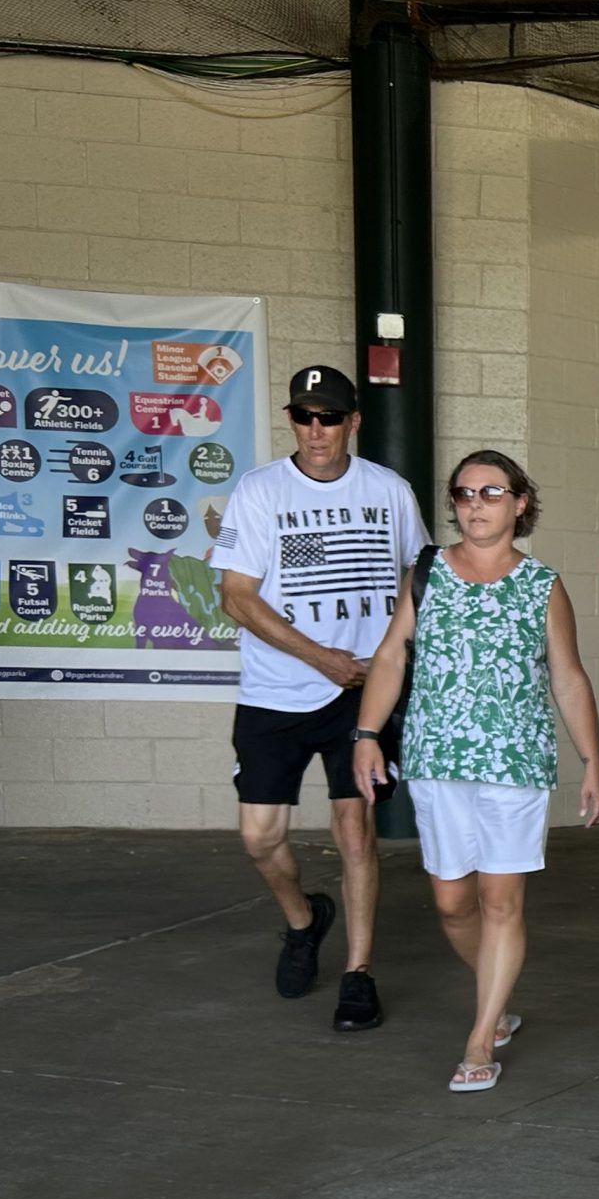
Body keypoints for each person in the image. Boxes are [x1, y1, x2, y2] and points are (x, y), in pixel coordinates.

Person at [351, 451, 599, 1092]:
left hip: (515, 764)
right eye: (464, 494)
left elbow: (568, 678)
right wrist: (366, 735)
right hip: (437, 762)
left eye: (492, 492)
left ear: (520, 503)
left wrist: (592, 760)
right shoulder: (426, 572)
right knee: (451, 902)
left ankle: (480, 1032)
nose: (475, 504)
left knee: (500, 901)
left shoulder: (542, 585)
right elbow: (389, 659)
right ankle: (496, 988)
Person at [213, 364, 427, 1032]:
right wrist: (320, 657)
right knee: (259, 837)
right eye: (303, 416)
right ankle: (304, 922)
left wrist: (387, 657)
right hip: (277, 691)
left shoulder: (389, 491)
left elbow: (415, 580)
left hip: (360, 697)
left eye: (328, 417)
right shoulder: (259, 491)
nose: (315, 430)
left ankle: (358, 974)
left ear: (352, 422)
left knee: (354, 831)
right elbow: (236, 596)